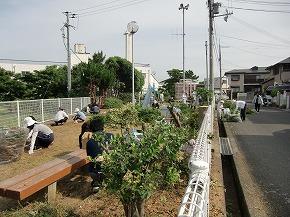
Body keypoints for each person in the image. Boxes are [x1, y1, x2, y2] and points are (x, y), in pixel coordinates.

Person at [85, 117, 113, 192]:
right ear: (103, 127)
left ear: (91, 129)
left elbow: (90, 157)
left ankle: (96, 182)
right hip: (111, 169)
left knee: (92, 163)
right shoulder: (111, 136)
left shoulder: (89, 142)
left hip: (94, 172)